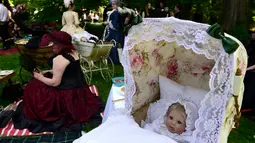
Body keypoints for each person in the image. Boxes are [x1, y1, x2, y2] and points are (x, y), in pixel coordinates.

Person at [12, 31, 104, 133]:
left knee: (33, 86)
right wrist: (48, 71)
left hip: (67, 95)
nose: (52, 46)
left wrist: (39, 77)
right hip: (80, 91)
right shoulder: (74, 52)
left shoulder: (59, 59)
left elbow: (55, 83)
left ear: (62, 45)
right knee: (44, 77)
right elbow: (68, 70)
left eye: (55, 43)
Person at [104, 0, 126, 64]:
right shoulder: (116, 11)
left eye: (114, 4)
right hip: (115, 31)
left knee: (113, 44)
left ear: (117, 5)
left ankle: (115, 60)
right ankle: (114, 59)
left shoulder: (116, 12)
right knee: (114, 44)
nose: (112, 5)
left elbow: (115, 22)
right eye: (112, 4)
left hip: (114, 31)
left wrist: (108, 23)